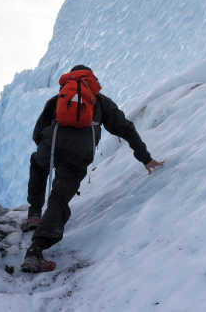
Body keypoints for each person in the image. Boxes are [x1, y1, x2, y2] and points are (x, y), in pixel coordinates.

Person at [20, 64, 164, 272]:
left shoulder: (58, 99)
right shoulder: (99, 101)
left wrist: (46, 148)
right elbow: (125, 129)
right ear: (92, 80)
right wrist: (145, 158)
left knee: (38, 164)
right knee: (60, 197)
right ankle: (36, 250)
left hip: (51, 144)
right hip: (79, 153)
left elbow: (38, 131)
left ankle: (34, 213)